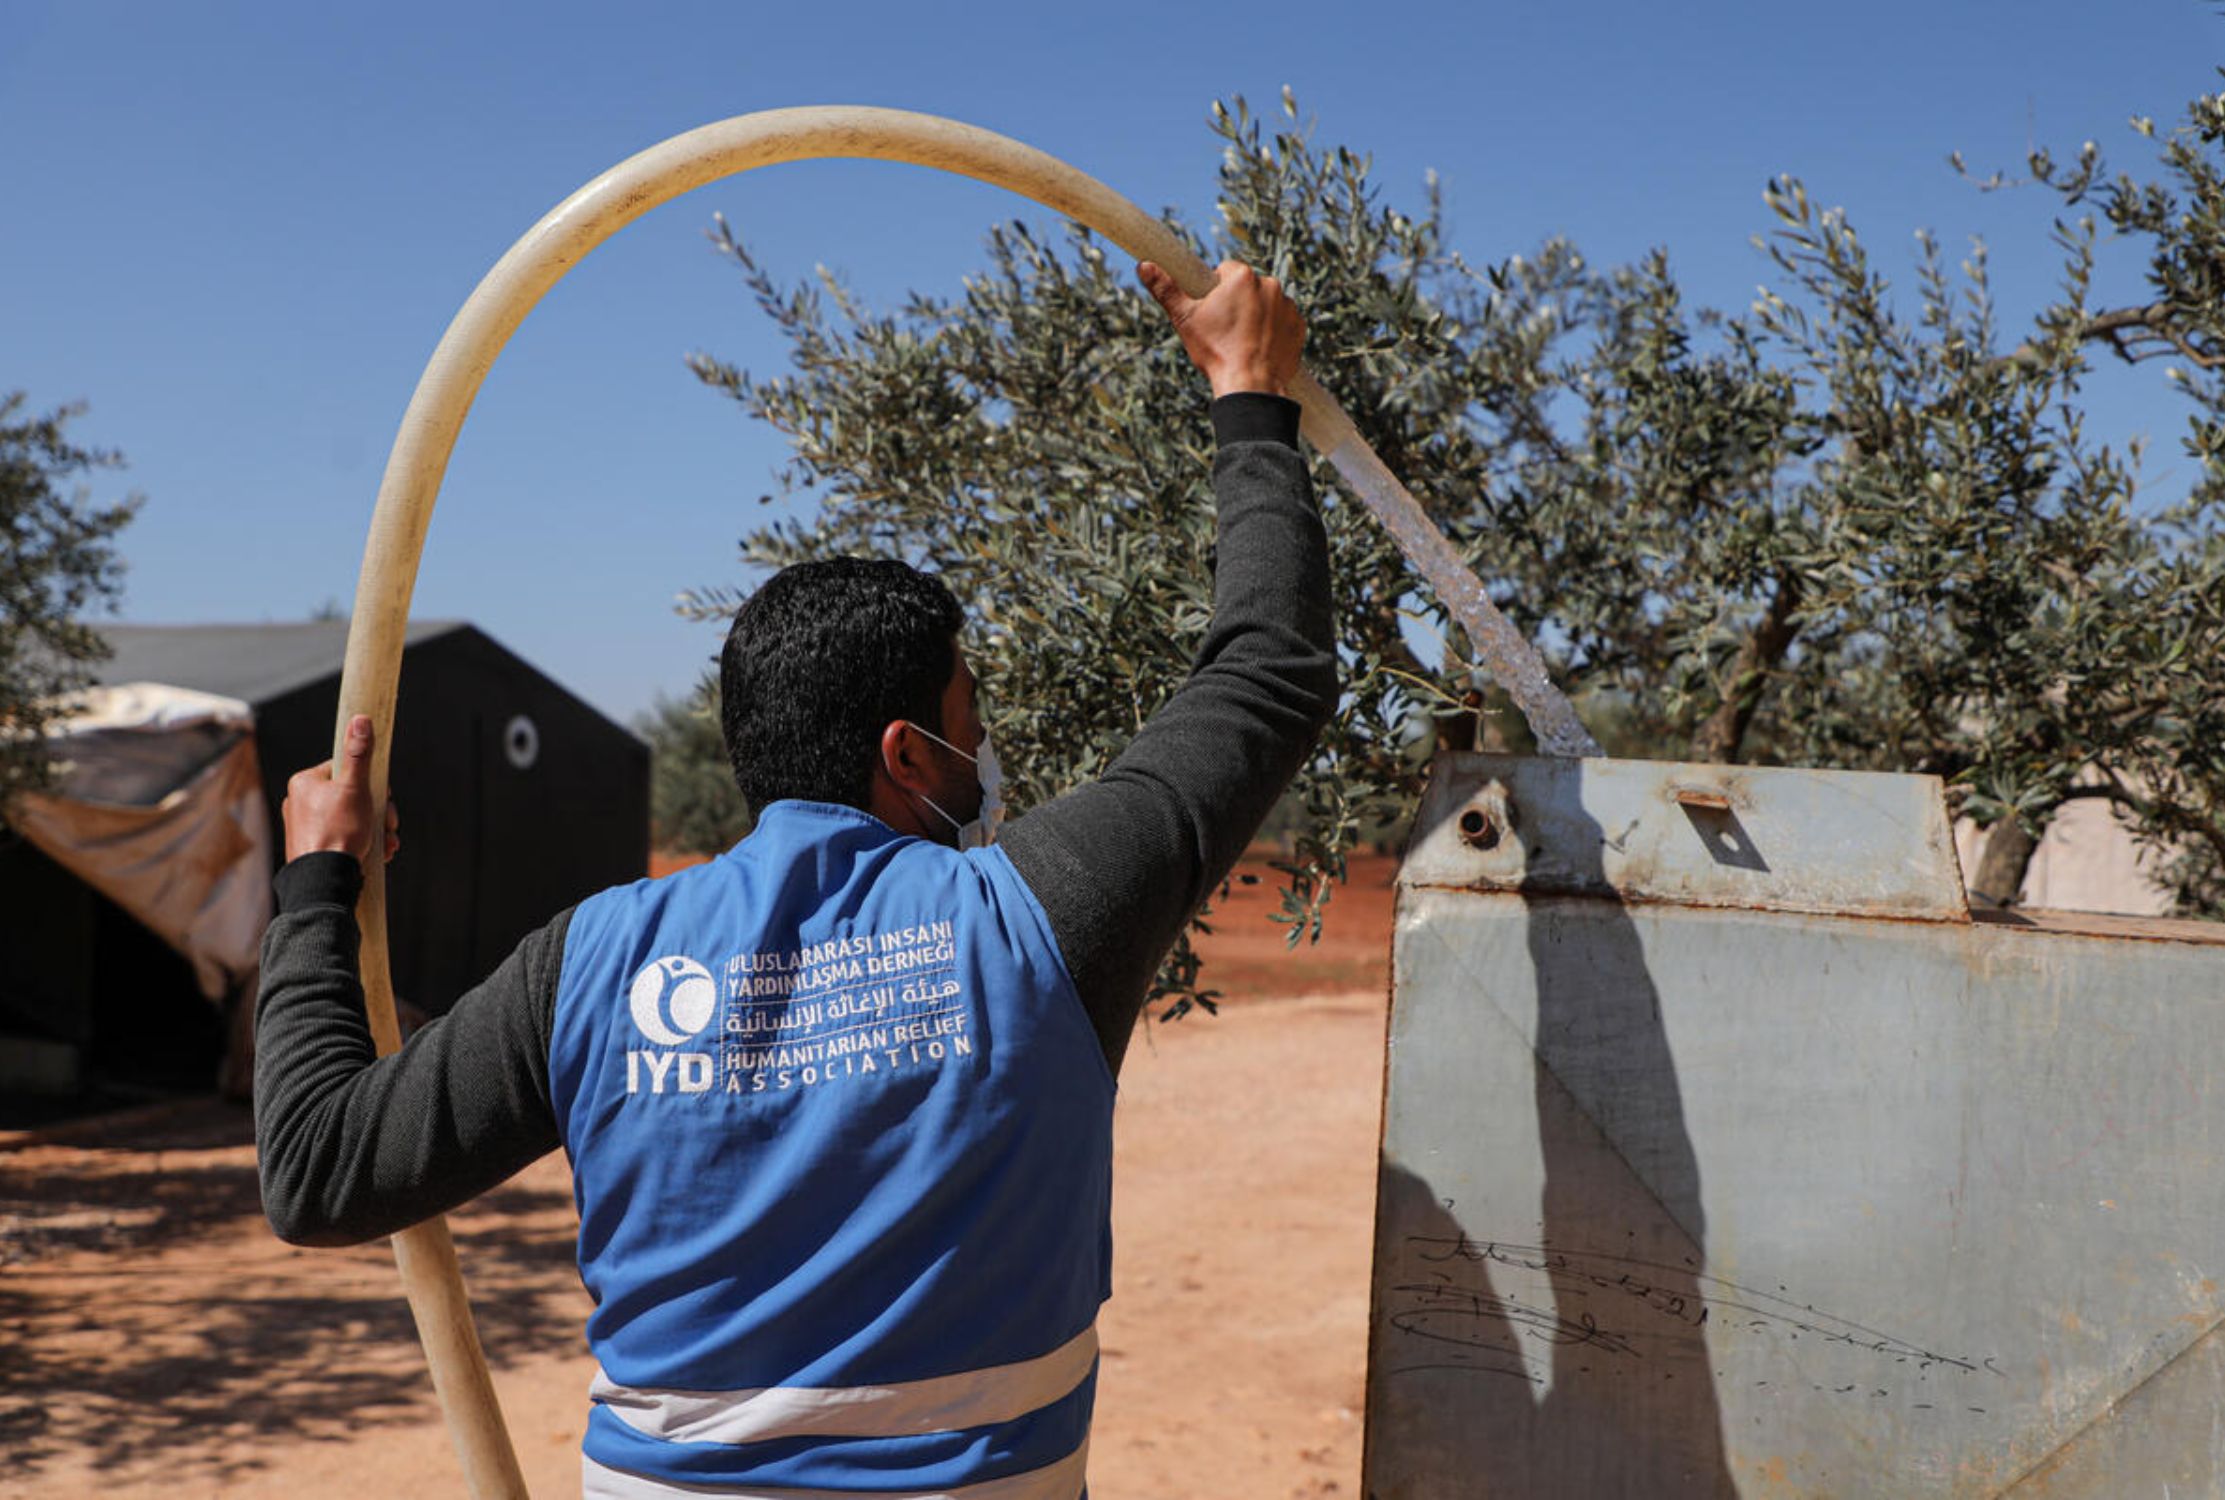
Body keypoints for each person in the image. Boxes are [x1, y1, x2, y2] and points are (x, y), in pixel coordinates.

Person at [256, 258, 1334, 1499]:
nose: (981, 757)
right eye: (968, 722)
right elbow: (1268, 674)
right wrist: (1249, 397)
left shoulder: (595, 961)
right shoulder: (1043, 912)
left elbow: (318, 1169)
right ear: (904, 753)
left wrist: (317, 889)